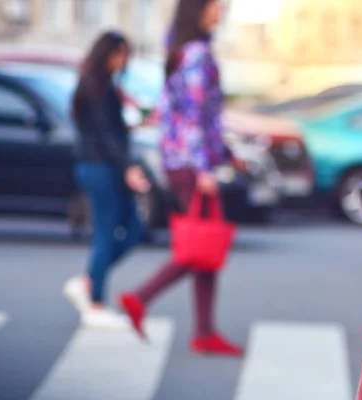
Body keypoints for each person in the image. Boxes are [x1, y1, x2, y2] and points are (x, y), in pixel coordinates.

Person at [119, 0, 243, 356]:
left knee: (206, 246)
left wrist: (226, 153)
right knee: (200, 244)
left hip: (182, 159)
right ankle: (139, 297)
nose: (222, 11)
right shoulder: (195, 55)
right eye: (217, 5)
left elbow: (196, 114)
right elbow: (193, 115)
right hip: (190, 163)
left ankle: (204, 331)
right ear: (199, 9)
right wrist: (205, 168)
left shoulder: (181, 51)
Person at [64, 31, 150, 330]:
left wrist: (136, 125)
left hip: (105, 166)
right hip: (101, 167)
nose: (123, 60)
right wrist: (129, 166)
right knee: (106, 234)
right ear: (107, 54)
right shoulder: (97, 87)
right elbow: (105, 136)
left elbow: (111, 131)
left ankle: (88, 282)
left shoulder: (102, 86)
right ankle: (95, 304)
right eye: (119, 53)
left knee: (134, 228)